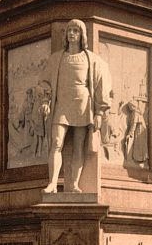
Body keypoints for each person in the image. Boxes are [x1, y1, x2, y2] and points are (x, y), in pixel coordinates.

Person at [41, 19, 111, 193]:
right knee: (56, 142)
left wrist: (99, 112)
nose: (72, 34)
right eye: (69, 30)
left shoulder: (92, 59)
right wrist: (45, 100)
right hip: (61, 105)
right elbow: (45, 83)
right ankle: (53, 183)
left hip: (83, 105)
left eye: (76, 31)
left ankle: (73, 184)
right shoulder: (56, 58)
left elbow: (101, 84)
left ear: (82, 35)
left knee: (79, 146)